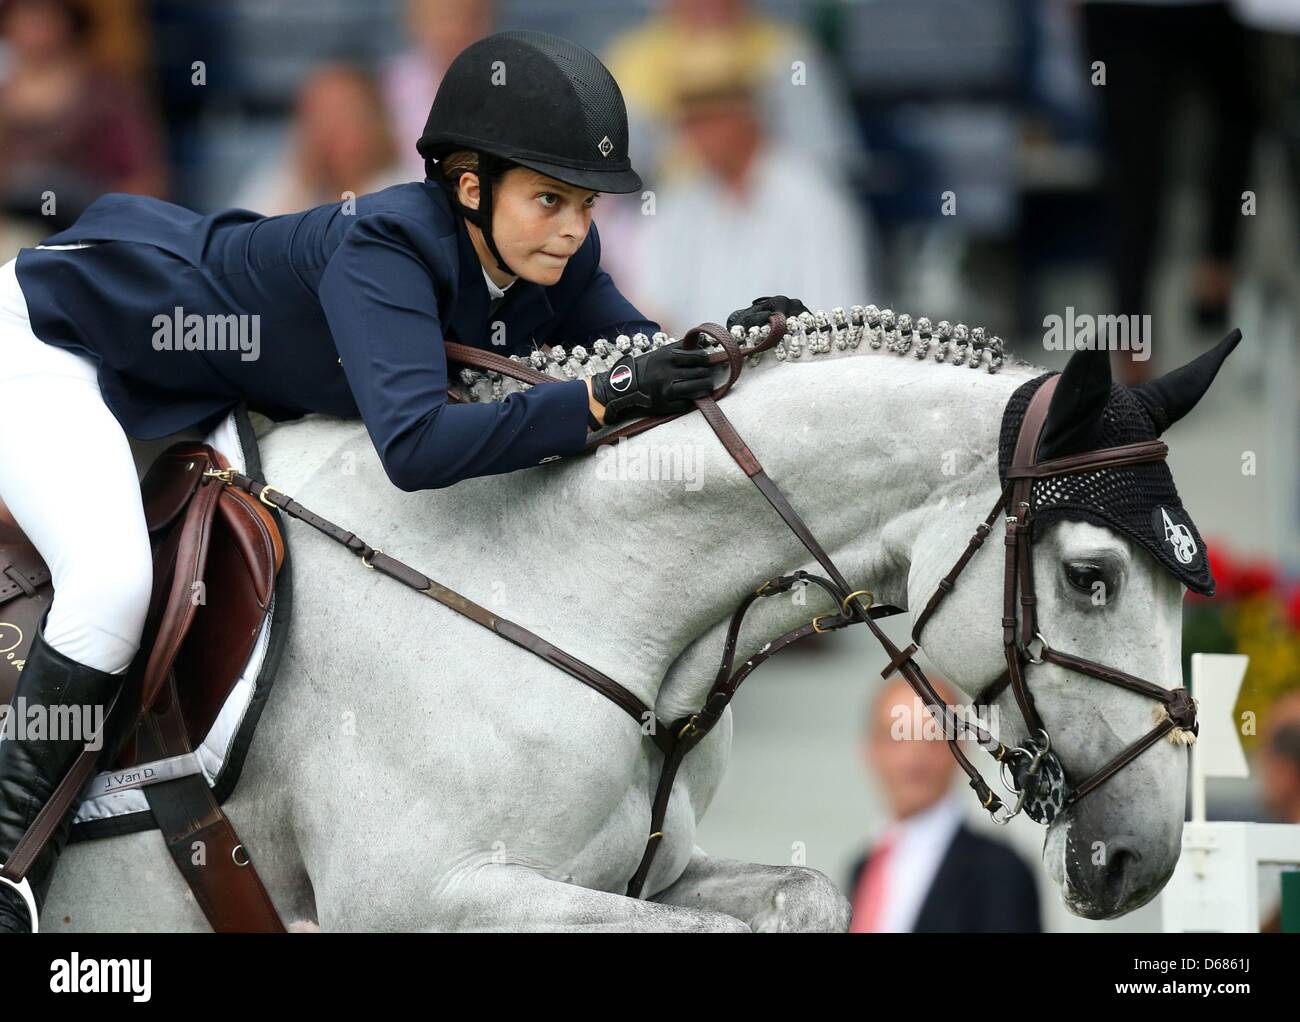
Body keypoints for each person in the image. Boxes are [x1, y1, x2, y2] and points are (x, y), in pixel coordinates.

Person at [0, 29, 717, 933]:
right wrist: (600, 403)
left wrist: (735, 346)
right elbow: (416, 449)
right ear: (469, 187)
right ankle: (7, 867)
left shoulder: (546, 251)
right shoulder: (383, 247)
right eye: (550, 200)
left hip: (195, 380)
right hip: (55, 340)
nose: (576, 227)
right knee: (111, 584)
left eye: (585, 204)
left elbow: (634, 357)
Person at [846, 676, 1041, 933]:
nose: (912, 760)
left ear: (961, 749)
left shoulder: (1001, 871)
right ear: (869, 750)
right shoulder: (863, 868)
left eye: (932, 738)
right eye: (896, 738)